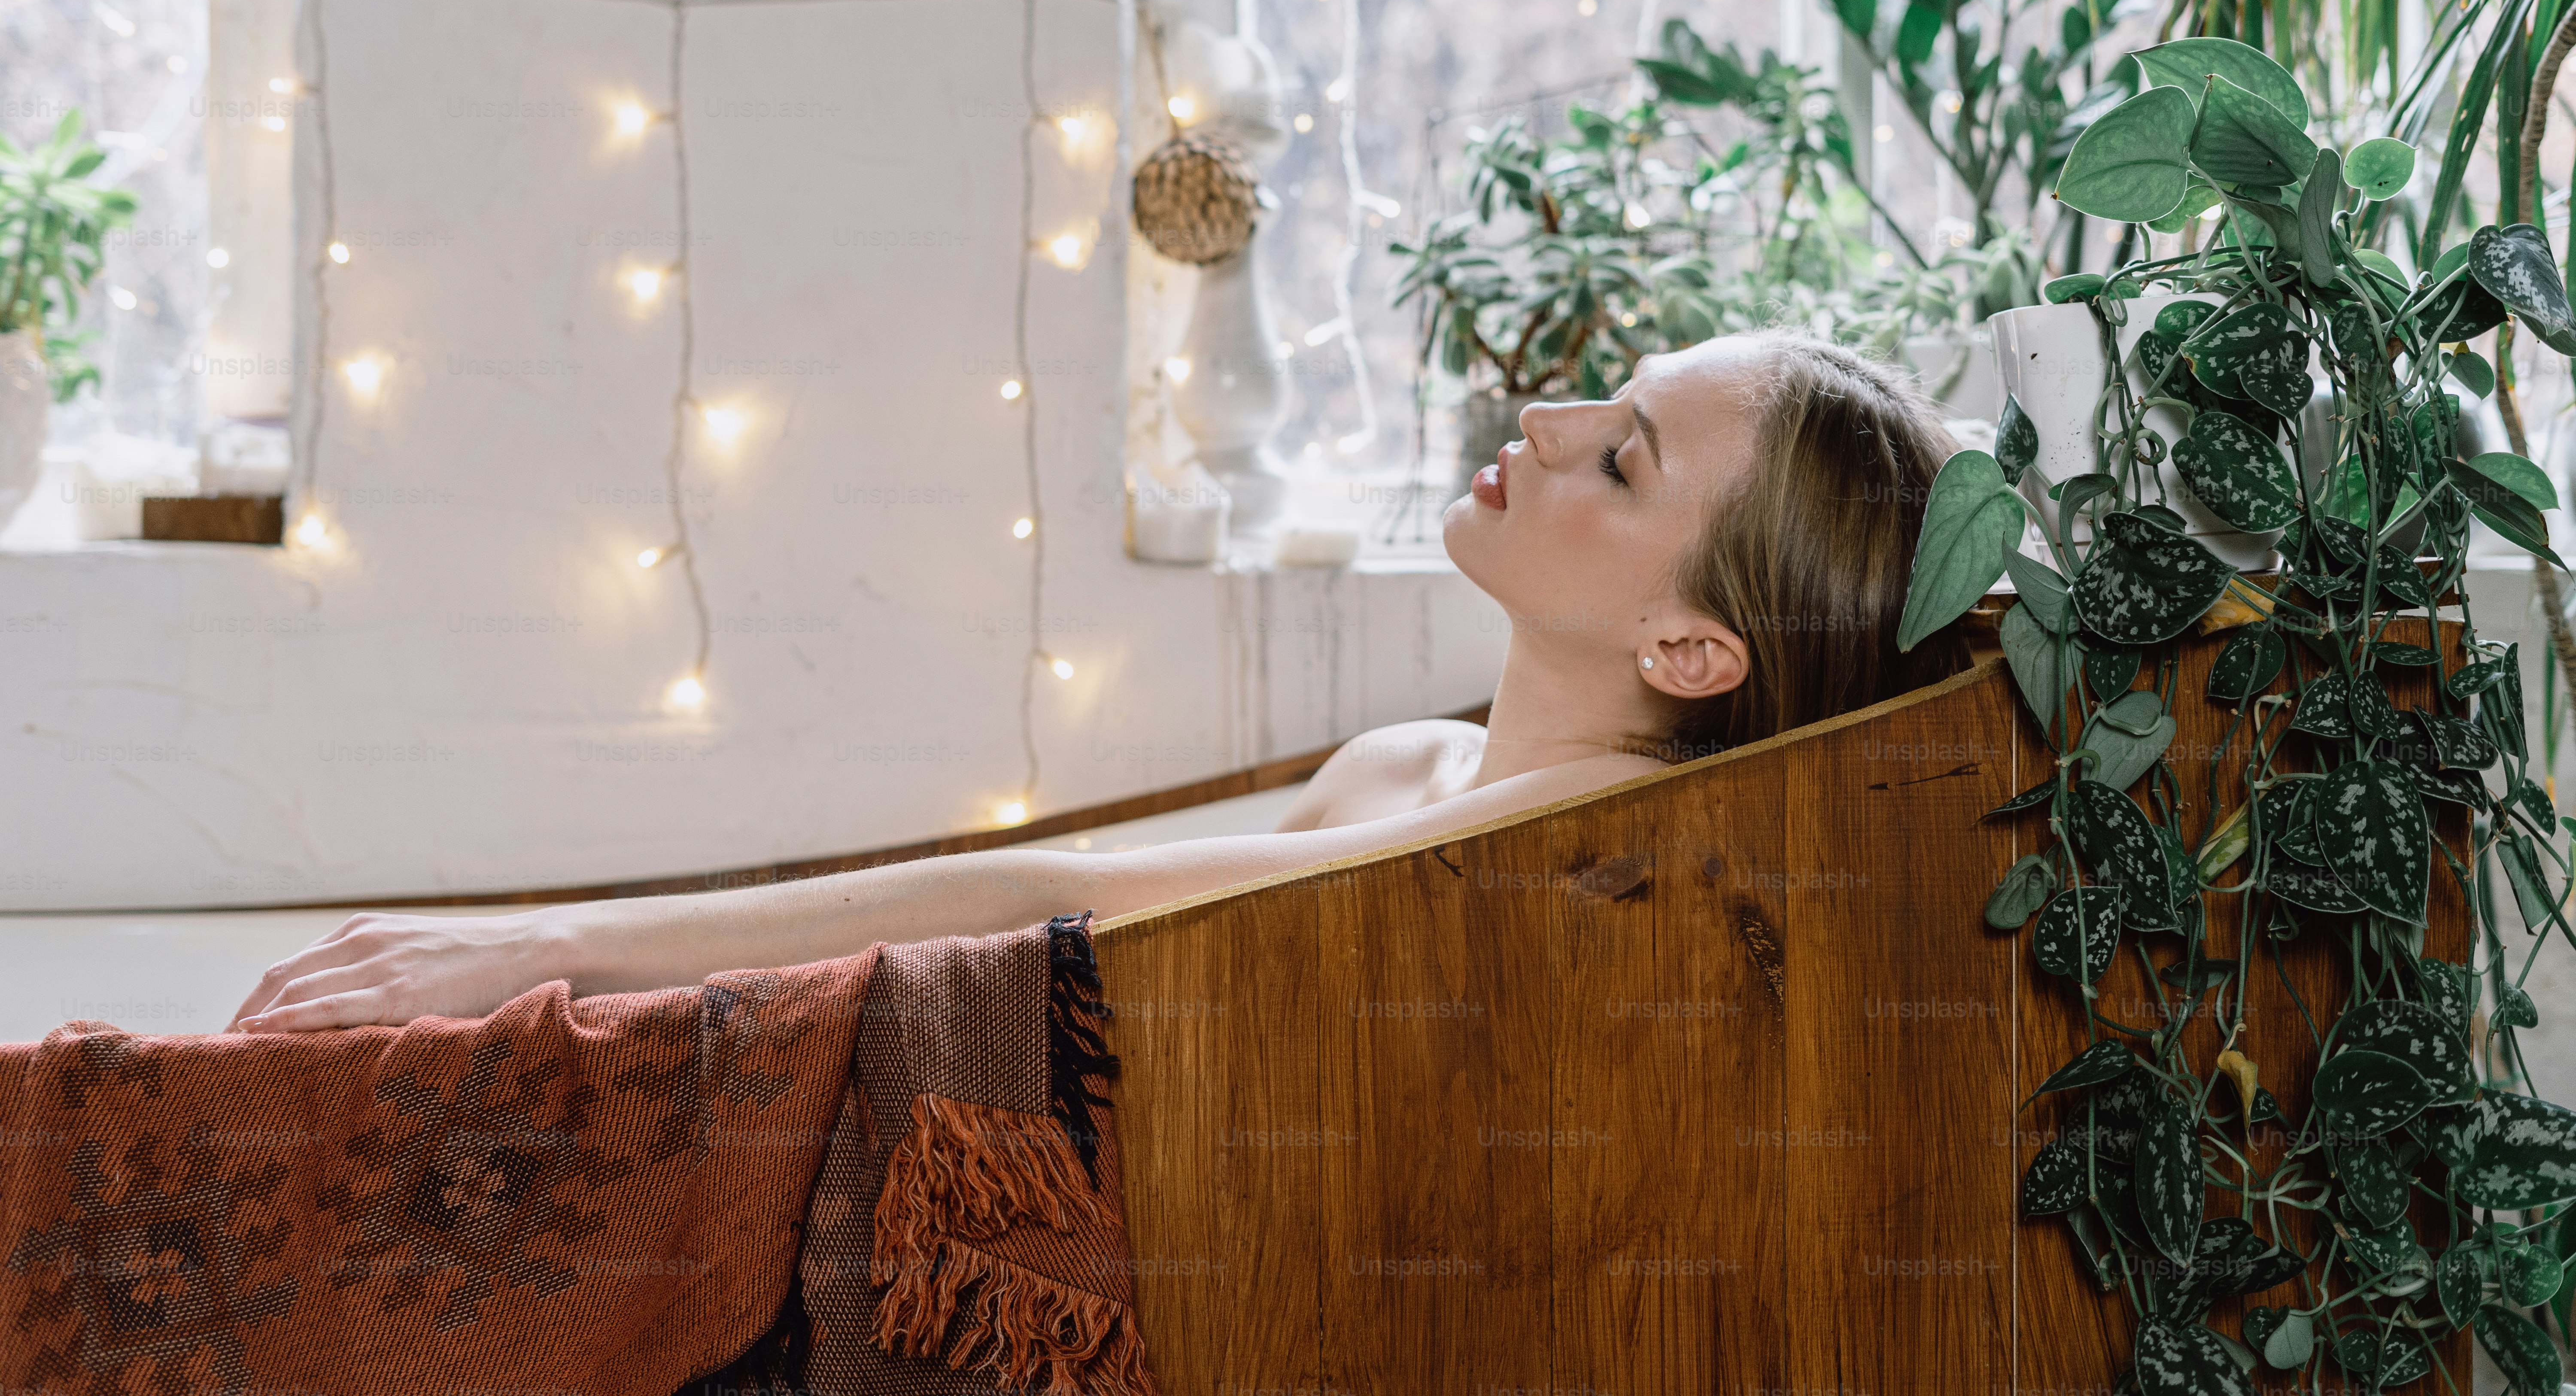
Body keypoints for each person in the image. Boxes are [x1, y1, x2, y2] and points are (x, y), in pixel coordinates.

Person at [228, 330, 1969, 1034]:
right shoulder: (1396, 774)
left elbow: (1069, 899)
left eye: (1623, 461)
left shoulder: (1579, 844)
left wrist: (550, 944)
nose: (1549, 421)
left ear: (1689, 650)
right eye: (1611, 395)